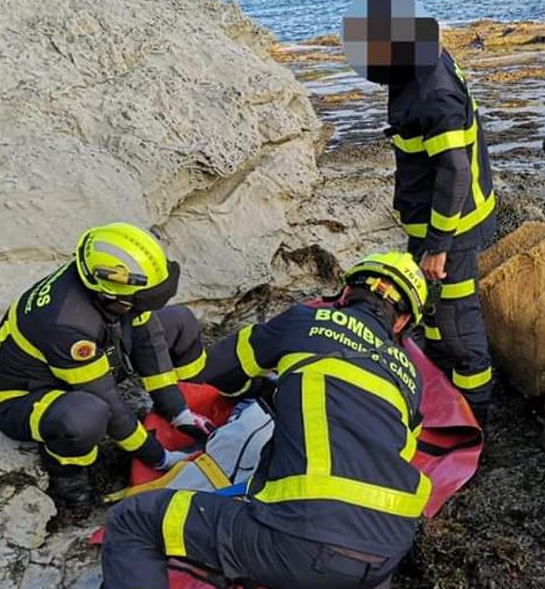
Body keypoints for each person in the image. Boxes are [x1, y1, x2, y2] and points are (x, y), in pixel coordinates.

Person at [101, 252, 431, 589]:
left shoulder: (305, 321)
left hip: (299, 539)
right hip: (386, 553)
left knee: (133, 520)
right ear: (401, 323)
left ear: (344, 294)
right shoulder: (412, 379)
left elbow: (219, 371)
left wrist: (261, 385)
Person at [0, 222, 232, 513]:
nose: (142, 307)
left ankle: (200, 397)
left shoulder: (108, 291)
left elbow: (148, 336)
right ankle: (69, 480)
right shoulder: (65, 323)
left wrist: (178, 410)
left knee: (179, 321)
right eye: (136, 301)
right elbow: (107, 402)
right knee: (86, 415)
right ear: (110, 295)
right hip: (26, 397)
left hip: (88, 359)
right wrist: (157, 456)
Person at [341, 0, 498, 423]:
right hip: (432, 222)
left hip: (453, 227)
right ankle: (439, 393)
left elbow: (454, 173)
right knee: (430, 314)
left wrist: (437, 246)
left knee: (458, 329)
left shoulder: (433, 94)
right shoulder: (420, 62)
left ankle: (475, 423)